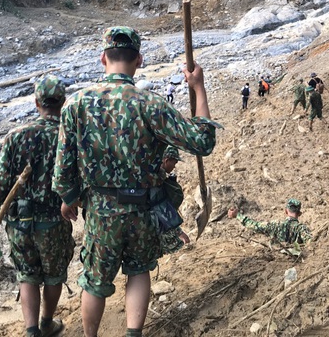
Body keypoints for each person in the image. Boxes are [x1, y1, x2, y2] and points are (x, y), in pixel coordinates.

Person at [53, 26, 219, 337]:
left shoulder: (76, 105)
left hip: (101, 212)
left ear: (103, 58)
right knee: (139, 271)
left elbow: (63, 165)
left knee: (95, 281)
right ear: (139, 60)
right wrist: (198, 87)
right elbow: (202, 142)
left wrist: (68, 197)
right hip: (142, 209)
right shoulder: (150, 104)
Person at [0, 75, 75, 337]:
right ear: (62, 102)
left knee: (27, 275)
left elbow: (0, 184)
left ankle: (32, 331)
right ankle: (47, 322)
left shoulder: (16, 136)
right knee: (54, 275)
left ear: (36, 102)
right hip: (55, 222)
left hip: (19, 223)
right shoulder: (68, 135)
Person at [158, 146, 190, 256]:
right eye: (174, 163)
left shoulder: (157, 175)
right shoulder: (156, 178)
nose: (174, 167)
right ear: (166, 160)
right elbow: (161, 208)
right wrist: (179, 232)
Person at [236, 199, 312, 244]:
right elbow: (310, 244)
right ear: (299, 213)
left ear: (285, 211)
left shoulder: (275, 225)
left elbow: (254, 226)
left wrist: (237, 215)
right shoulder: (302, 229)